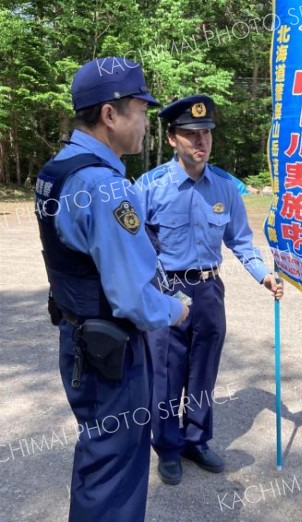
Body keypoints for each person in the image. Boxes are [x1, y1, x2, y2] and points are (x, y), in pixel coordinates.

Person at [34, 57, 189, 521]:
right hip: (112, 354)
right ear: (109, 115)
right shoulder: (104, 186)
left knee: (99, 459)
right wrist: (176, 310)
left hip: (82, 339)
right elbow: (132, 296)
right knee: (116, 472)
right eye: (141, 111)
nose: (146, 124)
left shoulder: (57, 169)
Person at [138, 94, 284, 485]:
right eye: (190, 135)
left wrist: (263, 275)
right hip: (166, 292)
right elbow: (133, 243)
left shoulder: (225, 188)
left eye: (206, 134)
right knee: (166, 375)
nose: (200, 143)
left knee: (203, 373)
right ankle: (167, 448)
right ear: (172, 139)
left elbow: (241, 240)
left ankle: (196, 441)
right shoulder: (149, 187)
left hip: (208, 291)